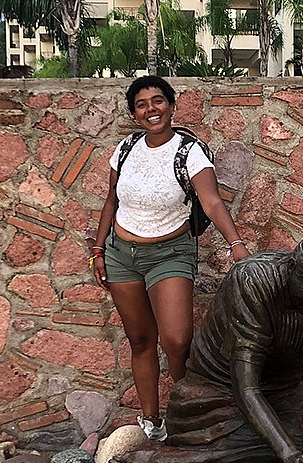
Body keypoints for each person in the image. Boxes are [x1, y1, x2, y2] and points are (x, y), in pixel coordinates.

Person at [102, 229, 303, 463]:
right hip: (218, 395)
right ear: (292, 268)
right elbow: (247, 388)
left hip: (283, 395)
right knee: (264, 446)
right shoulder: (253, 281)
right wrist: (289, 453)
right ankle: (158, 458)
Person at [91, 75, 250, 442]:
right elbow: (112, 201)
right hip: (121, 255)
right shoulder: (125, 149)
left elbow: (211, 201)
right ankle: (151, 422)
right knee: (140, 340)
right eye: (142, 104)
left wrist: (236, 243)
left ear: (172, 105)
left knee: (177, 341)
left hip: (170, 254)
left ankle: (187, 411)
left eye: (158, 101)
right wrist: (99, 249)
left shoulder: (189, 151)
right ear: (133, 113)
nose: (151, 109)